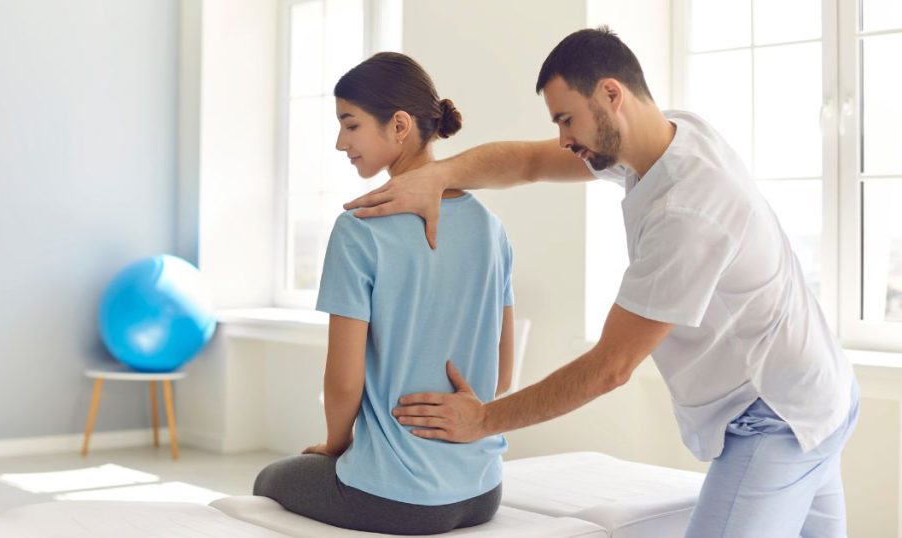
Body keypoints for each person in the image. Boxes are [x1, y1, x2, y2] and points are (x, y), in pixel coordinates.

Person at [346, 28, 860, 538]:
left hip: (777, 417)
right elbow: (527, 162)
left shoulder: (689, 208)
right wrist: (438, 175)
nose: (564, 138)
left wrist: (481, 421)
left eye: (567, 119)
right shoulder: (668, 138)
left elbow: (610, 368)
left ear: (611, 95)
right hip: (822, 389)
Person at [252, 52, 516, 535]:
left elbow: (344, 379)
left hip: (395, 499)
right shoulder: (491, 228)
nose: (339, 142)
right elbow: (503, 369)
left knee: (269, 478)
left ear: (399, 126)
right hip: (483, 491)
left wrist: (334, 447)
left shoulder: (360, 228)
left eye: (350, 125)